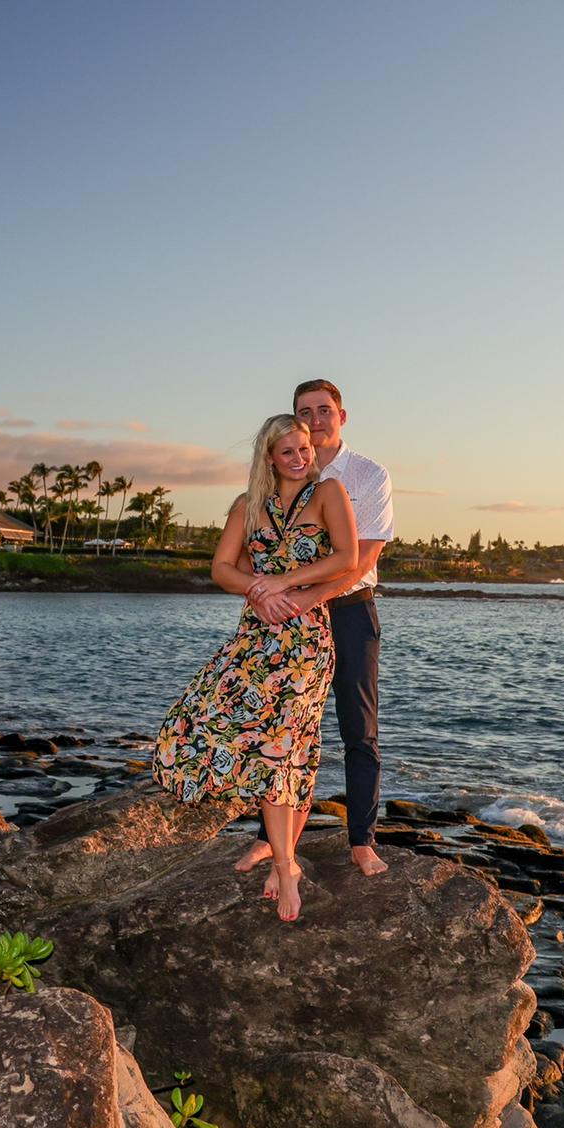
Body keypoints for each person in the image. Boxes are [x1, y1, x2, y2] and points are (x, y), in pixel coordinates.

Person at [155, 413, 358, 922]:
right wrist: (256, 590)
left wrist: (284, 583)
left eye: (305, 448)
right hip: (256, 635)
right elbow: (221, 568)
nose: (300, 458)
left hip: (305, 640)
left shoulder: (328, 493)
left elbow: (348, 558)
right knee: (194, 720)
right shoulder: (248, 506)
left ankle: (285, 866)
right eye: (288, 451)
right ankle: (283, 860)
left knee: (281, 747)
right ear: (269, 457)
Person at [234, 379, 395, 879]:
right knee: (281, 728)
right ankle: (271, 840)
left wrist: (302, 596)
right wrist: (264, 595)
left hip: (348, 610)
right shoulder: (279, 475)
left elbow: (361, 558)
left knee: (358, 729)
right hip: (286, 618)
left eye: (325, 410)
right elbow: (252, 552)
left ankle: (362, 842)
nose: (317, 420)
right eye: (306, 412)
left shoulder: (367, 475)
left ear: (341, 416)